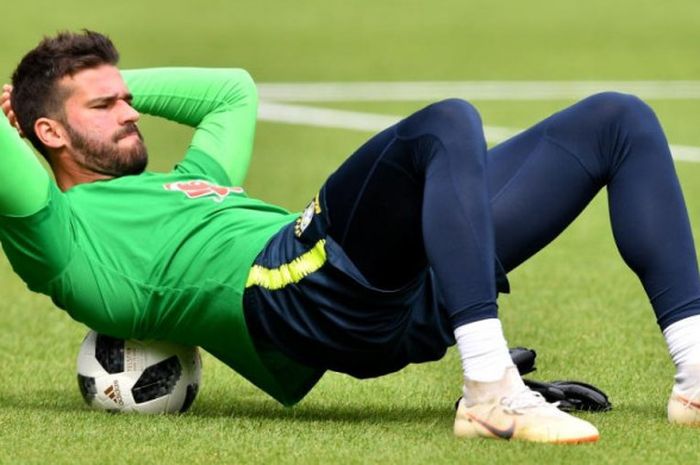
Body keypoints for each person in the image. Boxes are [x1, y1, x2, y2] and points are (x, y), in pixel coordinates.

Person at [2, 30, 700, 445]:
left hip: (395, 291)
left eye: (127, 98)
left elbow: (231, 91)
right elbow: (22, 175)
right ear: (49, 133)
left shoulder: (191, 177)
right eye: (104, 106)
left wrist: (94, 84)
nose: (129, 113)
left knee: (618, 120)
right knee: (443, 124)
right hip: (293, 289)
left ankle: (694, 376)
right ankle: (490, 390)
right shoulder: (57, 231)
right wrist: (28, 100)